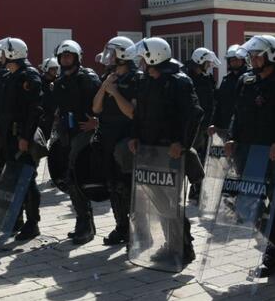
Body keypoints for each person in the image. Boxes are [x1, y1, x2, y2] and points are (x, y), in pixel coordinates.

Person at [225, 35, 275, 278]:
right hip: (252, 155)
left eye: (257, 55)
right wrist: (232, 137)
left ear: (272, 55)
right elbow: (237, 114)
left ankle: (274, 257)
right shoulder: (247, 81)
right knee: (248, 205)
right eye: (250, 56)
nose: (252, 60)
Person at [128, 37, 204, 264]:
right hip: (149, 151)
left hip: (170, 153)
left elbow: (194, 114)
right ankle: (172, 244)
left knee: (171, 202)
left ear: (154, 57)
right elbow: (139, 113)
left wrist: (182, 143)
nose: (141, 63)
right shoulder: (145, 81)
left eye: (143, 58)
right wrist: (135, 136)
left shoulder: (179, 81)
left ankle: (183, 248)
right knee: (158, 201)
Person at [0, 37, 43, 241]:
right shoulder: (9, 76)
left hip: (21, 136)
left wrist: (25, 137)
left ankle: (32, 223)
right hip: (8, 136)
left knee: (27, 179)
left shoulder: (29, 76)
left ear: (13, 54)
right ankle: (16, 219)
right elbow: (3, 107)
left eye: (4, 52)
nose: (1, 56)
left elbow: (34, 110)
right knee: (12, 178)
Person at [51, 39, 102, 244]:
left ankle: (85, 225)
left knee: (75, 174)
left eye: (69, 56)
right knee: (70, 177)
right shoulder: (60, 82)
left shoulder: (88, 78)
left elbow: (103, 102)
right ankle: (83, 222)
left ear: (77, 58)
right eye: (62, 56)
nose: (65, 60)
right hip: (67, 133)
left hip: (85, 133)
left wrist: (97, 122)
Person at [91, 36, 140, 245]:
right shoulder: (108, 77)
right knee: (112, 185)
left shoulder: (136, 78)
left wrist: (115, 92)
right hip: (107, 137)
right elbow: (96, 108)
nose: (109, 57)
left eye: (113, 53)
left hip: (125, 140)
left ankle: (136, 230)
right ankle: (121, 227)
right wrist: (104, 87)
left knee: (128, 186)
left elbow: (132, 112)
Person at [185, 48, 219, 201]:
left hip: (205, 125)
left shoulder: (207, 78)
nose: (209, 66)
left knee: (203, 157)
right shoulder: (188, 79)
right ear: (200, 62)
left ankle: (197, 189)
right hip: (194, 125)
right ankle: (197, 189)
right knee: (195, 158)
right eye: (207, 63)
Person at [210, 45, 248, 138]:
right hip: (225, 126)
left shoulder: (250, 78)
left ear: (243, 60)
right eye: (232, 60)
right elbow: (219, 103)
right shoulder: (226, 80)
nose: (235, 62)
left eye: (237, 59)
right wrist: (214, 123)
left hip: (244, 128)